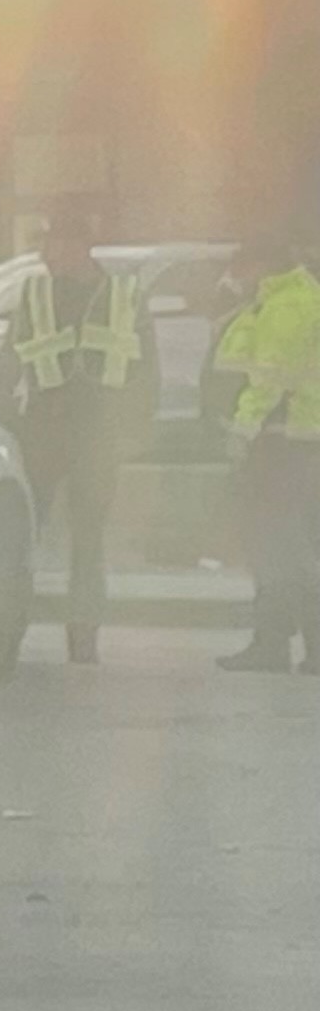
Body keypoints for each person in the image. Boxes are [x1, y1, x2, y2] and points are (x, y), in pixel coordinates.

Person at [4, 215, 147, 664]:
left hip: (98, 436)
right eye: (44, 245)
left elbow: (146, 370)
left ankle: (84, 638)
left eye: (55, 244)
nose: (47, 255)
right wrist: (0, 425)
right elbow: (9, 360)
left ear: (83, 244)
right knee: (23, 534)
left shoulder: (124, 295)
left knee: (88, 541)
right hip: (43, 432)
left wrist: (136, 432)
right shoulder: (35, 293)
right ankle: (5, 629)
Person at [212, 216, 320, 672]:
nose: (235, 277)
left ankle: (290, 645)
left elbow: (269, 378)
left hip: (284, 445)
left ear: (260, 265)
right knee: (280, 546)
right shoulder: (273, 302)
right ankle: (277, 642)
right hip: (285, 443)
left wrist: (243, 430)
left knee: (283, 547)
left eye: (242, 268)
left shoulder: (288, 304)